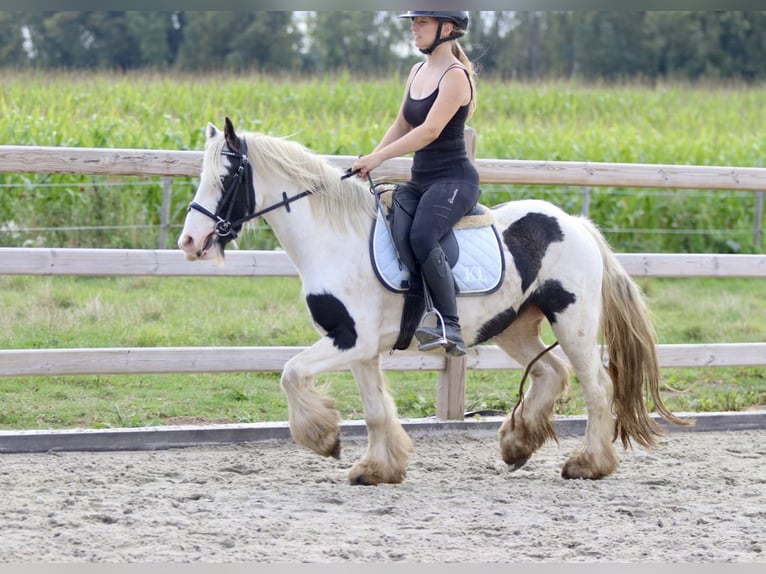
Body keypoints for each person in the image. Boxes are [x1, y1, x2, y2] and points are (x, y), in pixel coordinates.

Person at [352, 10, 480, 357]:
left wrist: (380, 159)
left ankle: (449, 325)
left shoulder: (456, 76)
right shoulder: (417, 71)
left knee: (423, 235)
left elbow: (429, 131)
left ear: (447, 28)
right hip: (420, 180)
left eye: (422, 22)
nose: (414, 28)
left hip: (454, 181)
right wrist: (370, 159)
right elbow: (403, 125)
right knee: (386, 223)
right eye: (413, 22)